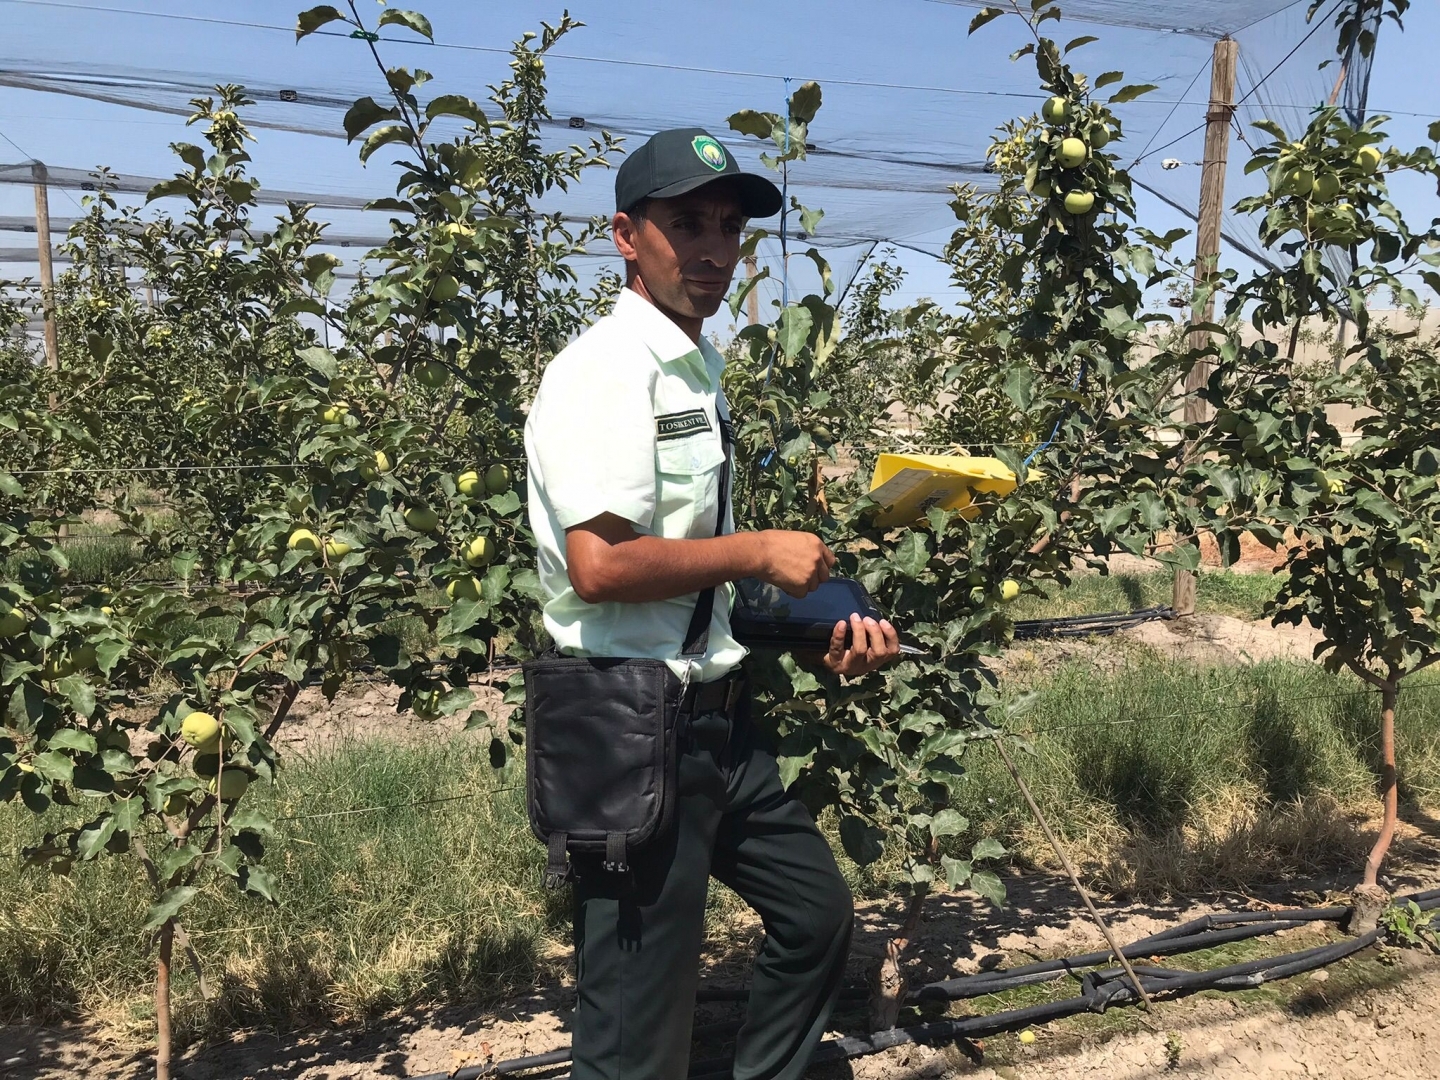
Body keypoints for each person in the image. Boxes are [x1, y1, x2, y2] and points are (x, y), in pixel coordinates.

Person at [524, 127, 902, 1080]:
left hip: (716, 727)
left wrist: (814, 632)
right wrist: (761, 551)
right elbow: (600, 568)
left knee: (816, 917)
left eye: (729, 228)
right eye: (684, 223)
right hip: (629, 725)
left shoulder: (695, 367)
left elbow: (692, 582)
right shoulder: (610, 370)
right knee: (635, 1032)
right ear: (625, 235)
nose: (712, 250)